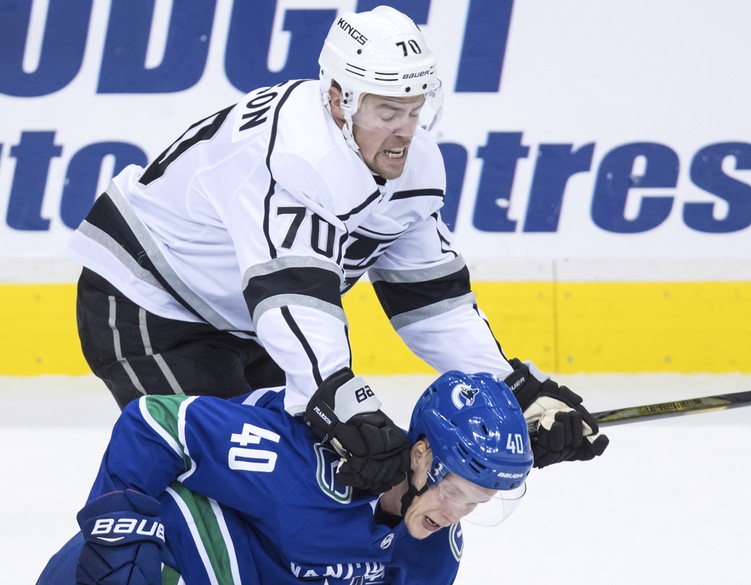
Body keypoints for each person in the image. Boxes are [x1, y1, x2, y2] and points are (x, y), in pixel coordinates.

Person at [67, 5, 608, 492]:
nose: (405, 132)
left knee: (304, 482)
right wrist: (336, 398)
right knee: (226, 478)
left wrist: (513, 389)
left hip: (247, 320)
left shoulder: (412, 165)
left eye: (415, 110)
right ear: (337, 101)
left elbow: (430, 303)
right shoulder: (291, 153)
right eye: (387, 112)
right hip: (148, 301)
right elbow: (292, 298)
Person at [37, 370, 534, 584]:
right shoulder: (304, 466)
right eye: (454, 492)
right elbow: (155, 423)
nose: (455, 515)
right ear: (422, 455)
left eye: (476, 503)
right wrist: (119, 538)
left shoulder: (433, 550)